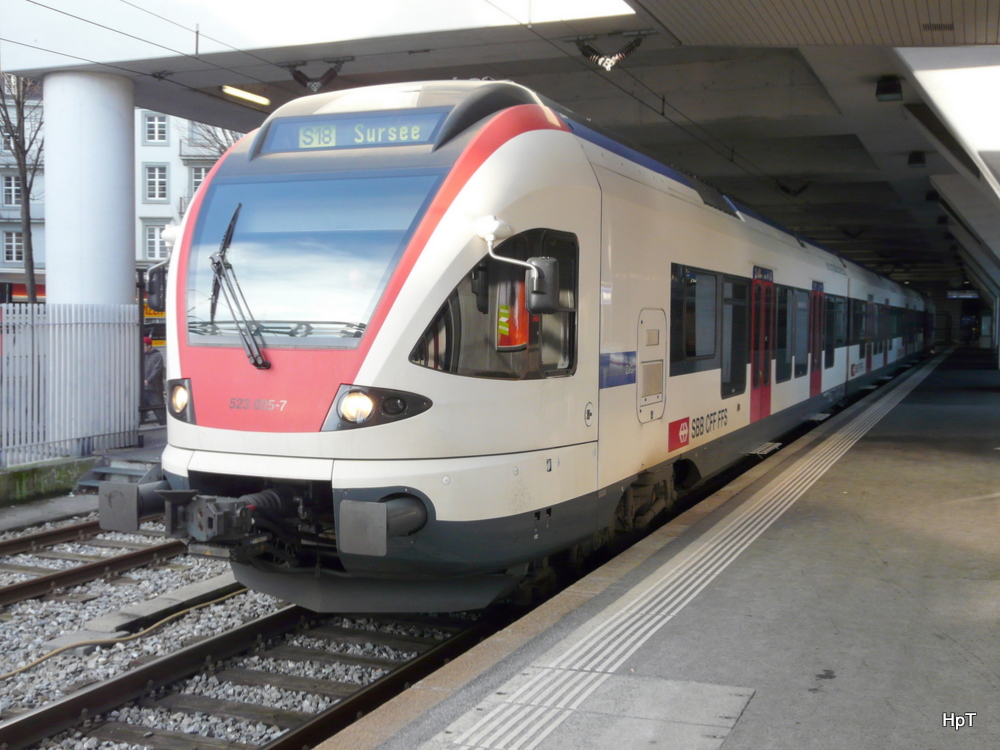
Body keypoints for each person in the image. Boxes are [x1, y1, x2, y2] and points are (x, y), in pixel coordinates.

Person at [142, 336, 165, 425]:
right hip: (143, 388)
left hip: (154, 388)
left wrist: (148, 380)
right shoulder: (141, 355)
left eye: (143, 346)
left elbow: (157, 370)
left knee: (159, 409)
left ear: (149, 346)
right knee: (141, 410)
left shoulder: (157, 355)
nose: (142, 348)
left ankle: (164, 425)